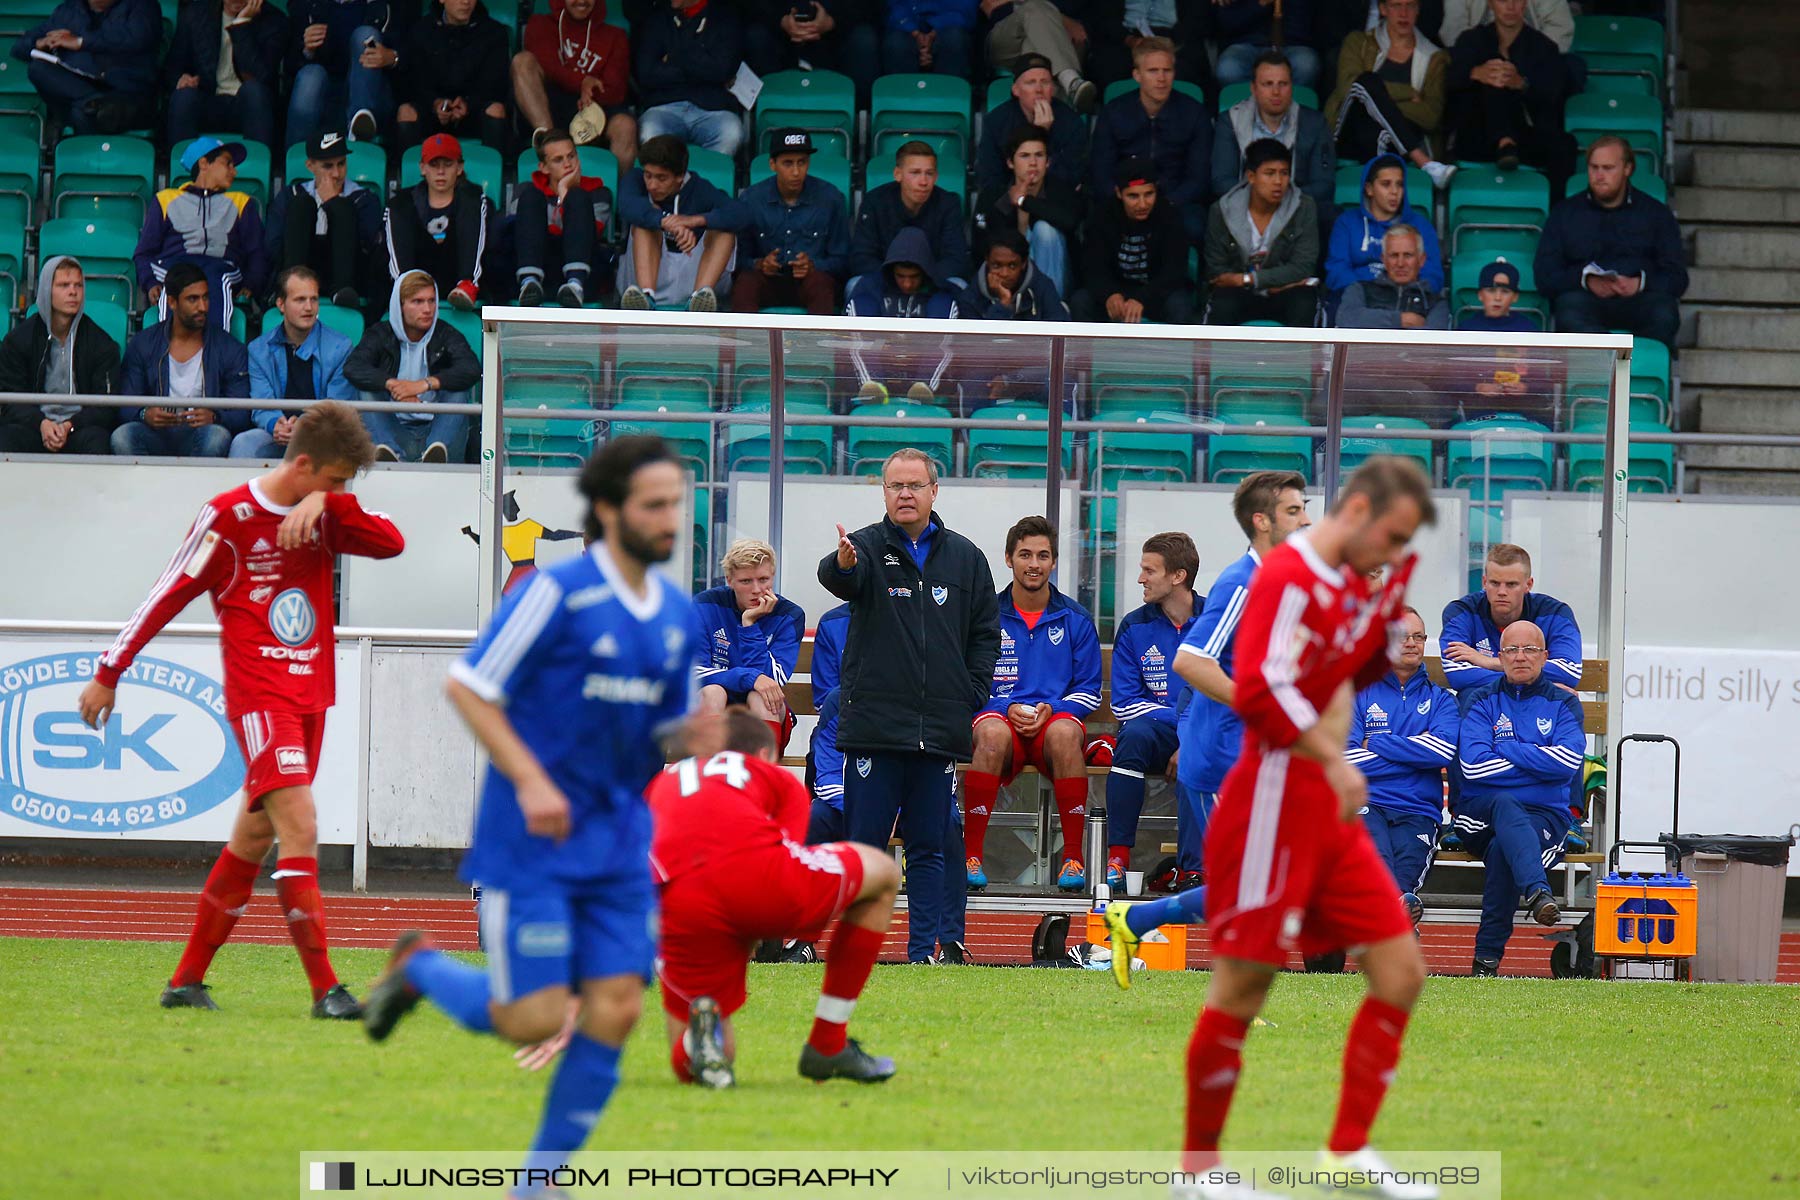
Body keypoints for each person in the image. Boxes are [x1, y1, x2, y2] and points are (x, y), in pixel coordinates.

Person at [360, 436, 701, 1191]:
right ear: (609, 512)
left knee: (616, 1008)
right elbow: (470, 685)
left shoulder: (678, 614)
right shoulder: (556, 593)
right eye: (655, 504)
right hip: (536, 838)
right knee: (533, 1017)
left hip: (617, 841)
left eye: (677, 502)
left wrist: (691, 735)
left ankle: (536, 1182)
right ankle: (420, 968)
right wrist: (533, 781)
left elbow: (660, 732)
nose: (670, 517)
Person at [1104, 457, 1439, 1200]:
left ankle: (1349, 1150)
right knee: (1242, 987)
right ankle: (1197, 1170)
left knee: (1400, 972)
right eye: (1393, 535)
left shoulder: (1349, 586)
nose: (1394, 552)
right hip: (1270, 799)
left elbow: (1332, 686)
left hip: (1326, 805)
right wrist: (1334, 757)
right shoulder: (1279, 579)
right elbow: (1255, 684)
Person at [77, 401, 402, 1017]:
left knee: (254, 836)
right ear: (303, 463)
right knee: (301, 826)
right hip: (262, 697)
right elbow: (166, 592)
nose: (341, 490)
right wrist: (109, 671)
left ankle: (185, 982)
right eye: (334, 480)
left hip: (312, 697)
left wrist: (330, 503)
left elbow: (391, 541)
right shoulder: (228, 519)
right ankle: (326, 990)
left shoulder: (324, 513)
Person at [647, 709, 902, 1087]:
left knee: (710, 1058)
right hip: (757, 884)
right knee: (883, 873)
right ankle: (827, 1042)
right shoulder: (775, 776)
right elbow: (780, 854)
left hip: (680, 901)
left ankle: (696, 1041)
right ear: (765, 755)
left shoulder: (666, 781)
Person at [816, 448, 1000, 963]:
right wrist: (843, 563)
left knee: (929, 847)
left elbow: (985, 634)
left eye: (915, 485)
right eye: (895, 486)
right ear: (884, 492)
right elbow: (838, 577)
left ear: (933, 491)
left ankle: (924, 953)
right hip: (875, 725)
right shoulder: (866, 548)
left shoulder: (966, 557)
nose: (905, 494)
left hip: (938, 728)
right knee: (868, 850)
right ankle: (859, 950)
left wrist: (972, 692)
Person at [1169, 471, 1310, 896]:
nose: (1305, 521)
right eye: (1293, 511)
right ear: (1261, 521)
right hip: (1222, 760)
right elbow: (1189, 661)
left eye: (1304, 509)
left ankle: (1134, 920)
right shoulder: (1240, 583)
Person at [962, 517, 1100, 892]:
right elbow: (967, 682)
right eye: (1025, 554)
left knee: (1066, 734)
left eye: (1043, 555)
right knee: (989, 733)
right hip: (998, 721)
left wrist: (1053, 708)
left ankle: (1073, 857)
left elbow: (1090, 689)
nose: (1034, 564)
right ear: (1009, 559)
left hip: (1052, 723)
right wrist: (1003, 706)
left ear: (1053, 562)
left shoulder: (1075, 618)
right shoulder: (984, 615)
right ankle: (969, 854)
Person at [1454, 619, 1584, 975]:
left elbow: (1568, 761)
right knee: (1506, 804)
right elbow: (1474, 767)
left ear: (1544, 656)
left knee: (1503, 850)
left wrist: (1507, 749)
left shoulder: (1563, 703)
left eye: (1529, 649)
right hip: (1481, 813)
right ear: (1500, 656)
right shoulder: (1481, 700)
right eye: (1512, 650)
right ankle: (1538, 893)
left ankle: (1485, 961)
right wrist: (1537, 760)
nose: (1520, 657)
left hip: (1545, 815)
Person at [1345, 605, 1458, 926]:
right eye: (1402, 636)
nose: (1411, 643)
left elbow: (1442, 751)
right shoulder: (1358, 694)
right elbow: (1346, 759)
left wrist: (1377, 743)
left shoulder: (1442, 700)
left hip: (1419, 810)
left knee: (1405, 873)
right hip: (1366, 804)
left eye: (1418, 636)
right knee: (1378, 865)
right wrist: (1413, 757)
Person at [1104, 532, 1202, 890]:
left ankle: (1195, 869)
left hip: (1207, 733)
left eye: (1150, 570)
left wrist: (1190, 737)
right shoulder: (1135, 624)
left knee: (1199, 756)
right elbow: (1124, 703)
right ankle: (1118, 860)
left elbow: (1229, 695)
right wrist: (1181, 724)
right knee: (1133, 736)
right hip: (1160, 731)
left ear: (1178, 576)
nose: (1141, 578)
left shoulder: (1216, 621)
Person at [1535, 136, 1686, 350]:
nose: (1599, 176)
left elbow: (1677, 278)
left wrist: (1639, 283)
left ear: (1627, 169)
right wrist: (1586, 280)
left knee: (1664, 314)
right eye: (1594, 167)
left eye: (1608, 168)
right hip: (1584, 299)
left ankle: (1638, 376)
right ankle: (1604, 375)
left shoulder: (1656, 214)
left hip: (1640, 298)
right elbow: (1545, 276)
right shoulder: (1565, 213)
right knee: (1568, 312)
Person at [113, 264, 252, 458]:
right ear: (172, 302)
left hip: (201, 434)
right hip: (155, 434)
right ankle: (147, 489)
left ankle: (196, 489)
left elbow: (243, 410)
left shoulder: (229, 348)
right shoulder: (143, 344)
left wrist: (214, 416)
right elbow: (125, 403)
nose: (203, 307)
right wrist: (145, 414)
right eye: (192, 299)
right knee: (122, 437)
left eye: (205, 297)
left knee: (216, 436)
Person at [344, 270, 481, 463]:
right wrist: (393, 385)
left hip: (438, 430)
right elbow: (353, 367)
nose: (427, 309)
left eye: (431, 301)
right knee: (367, 393)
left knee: (458, 392)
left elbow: (471, 368)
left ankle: (435, 456)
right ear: (400, 306)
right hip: (396, 427)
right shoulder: (380, 334)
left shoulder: (446, 334)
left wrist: (424, 384)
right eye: (417, 302)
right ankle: (389, 454)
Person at [136, 136, 269, 332]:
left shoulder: (241, 202)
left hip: (220, 267)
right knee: (174, 281)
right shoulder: (166, 199)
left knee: (217, 278)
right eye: (228, 163)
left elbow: (257, 252)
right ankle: (171, 353)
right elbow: (144, 252)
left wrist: (251, 284)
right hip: (174, 265)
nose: (234, 171)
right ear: (204, 163)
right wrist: (150, 282)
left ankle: (213, 355)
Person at [1323, 0, 1457, 188]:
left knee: (1378, 130)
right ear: (1383, 9)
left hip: (1391, 140)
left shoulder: (1435, 58)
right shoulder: (1358, 42)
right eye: (1396, 5)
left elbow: (1431, 116)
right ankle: (1423, 162)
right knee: (1366, 81)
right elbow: (1349, 89)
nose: (1403, 13)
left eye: (1410, 5)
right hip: (1349, 132)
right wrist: (1408, 93)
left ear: (1418, 9)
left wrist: (1377, 103)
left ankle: (1380, 200)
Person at [1091, 38, 1212, 243]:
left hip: (1176, 200)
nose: (1161, 78)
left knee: (1194, 226)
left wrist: (1165, 203)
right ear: (1137, 75)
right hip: (1124, 200)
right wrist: (1129, 202)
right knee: (1096, 227)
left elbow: (1198, 178)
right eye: (1153, 71)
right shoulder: (1114, 112)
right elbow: (1101, 172)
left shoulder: (1194, 113)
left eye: (1167, 70)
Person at [693, 538, 806, 751]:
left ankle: (760, 777)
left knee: (762, 697)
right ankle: (711, 778)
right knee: (712, 692)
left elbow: (772, 680)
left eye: (763, 579)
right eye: (746, 581)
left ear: (773, 577)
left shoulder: (790, 615)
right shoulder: (705, 605)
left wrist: (749, 625)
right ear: (729, 580)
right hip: (714, 711)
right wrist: (750, 677)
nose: (757, 590)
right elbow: (696, 673)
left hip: (765, 715)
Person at [0, 256, 120, 455]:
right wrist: (42, 424)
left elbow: (106, 406)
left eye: (78, 285)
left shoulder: (102, 344)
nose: (73, 292)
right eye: (64, 285)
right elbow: (10, 400)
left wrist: (69, 425)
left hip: (79, 428)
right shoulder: (18, 340)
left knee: (98, 440)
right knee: (6, 438)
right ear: (47, 290)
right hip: (33, 427)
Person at [617, 135, 749, 313]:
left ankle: (700, 298)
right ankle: (646, 297)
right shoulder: (635, 180)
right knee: (643, 225)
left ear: (680, 176)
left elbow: (741, 214)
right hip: (639, 281)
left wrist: (694, 221)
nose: (652, 185)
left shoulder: (699, 189)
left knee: (724, 231)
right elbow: (626, 206)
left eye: (661, 178)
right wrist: (666, 221)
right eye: (648, 176)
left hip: (692, 276)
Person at [235, 266, 357, 459]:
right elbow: (261, 403)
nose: (309, 307)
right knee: (243, 444)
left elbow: (337, 407)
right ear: (281, 304)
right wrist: (275, 424)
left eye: (314, 299)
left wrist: (305, 425)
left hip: (323, 434)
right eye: (300, 300)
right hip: (279, 433)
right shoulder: (259, 349)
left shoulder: (340, 347)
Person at [1446, 0, 1572, 181]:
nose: (1510, 7)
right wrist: (1476, 73)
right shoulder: (1471, 40)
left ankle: (1558, 208)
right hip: (1477, 136)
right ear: (1490, 3)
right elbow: (1450, 82)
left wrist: (1521, 84)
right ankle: (1504, 141)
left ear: (1525, 4)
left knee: (1565, 145)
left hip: (1525, 136)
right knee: (1494, 75)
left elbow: (1552, 94)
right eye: (1503, 0)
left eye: (1517, 0)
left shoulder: (1544, 47)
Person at [730, 129, 852, 316]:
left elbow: (843, 259)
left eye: (801, 162)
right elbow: (737, 258)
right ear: (773, 164)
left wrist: (814, 266)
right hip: (767, 281)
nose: (796, 172)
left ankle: (817, 345)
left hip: (811, 282)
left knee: (821, 284)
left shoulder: (831, 198)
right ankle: (743, 345)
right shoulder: (752, 199)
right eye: (788, 163)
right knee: (745, 284)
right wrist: (760, 264)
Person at [1203, 137, 1321, 327]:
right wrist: (1266, 281)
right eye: (1269, 173)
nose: (1278, 181)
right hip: (1239, 294)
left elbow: (1302, 267)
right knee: (1222, 303)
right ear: (1251, 177)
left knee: (1304, 301)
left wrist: (1249, 279)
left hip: (1283, 292)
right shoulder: (1223, 210)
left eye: (1284, 173)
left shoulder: (1303, 207)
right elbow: (1217, 271)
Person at [1439, 542, 1582, 692]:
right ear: (1484, 582)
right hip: (1484, 709)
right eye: (1494, 583)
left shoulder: (1555, 613)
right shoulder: (1461, 612)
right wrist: (1541, 684)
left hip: (1538, 711)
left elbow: (1569, 671)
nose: (1502, 592)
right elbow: (1457, 674)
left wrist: (1488, 662)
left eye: (1511, 584)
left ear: (1528, 585)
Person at [267, 130, 385, 310]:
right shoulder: (290, 196)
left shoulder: (364, 198)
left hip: (348, 274)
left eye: (341, 164)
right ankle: (291, 288)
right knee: (302, 204)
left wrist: (334, 203)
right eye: (327, 166)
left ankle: (341, 290)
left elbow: (369, 246)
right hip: (300, 263)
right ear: (310, 166)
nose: (337, 173)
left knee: (343, 208)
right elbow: (273, 245)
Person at [1211, 50, 1335, 220]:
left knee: (1329, 213)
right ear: (1253, 88)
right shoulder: (1231, 121)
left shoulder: (1314, 123)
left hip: (1298, 212)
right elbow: (1221, 181)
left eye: (1283, 84)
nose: (1276, 92)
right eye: (1268, 84)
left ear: (1292, 86)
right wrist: (1261, 199)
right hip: (1244, 211)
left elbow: (1324, 185)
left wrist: (1280, 198)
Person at [513, 0, 635, 171]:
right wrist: (582, 82)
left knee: (626, 125)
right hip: (549, 107)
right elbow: (548, 65)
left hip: (595, 110)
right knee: (522, 61)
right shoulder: (540, 23)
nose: (582, 1)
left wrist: (589, 97)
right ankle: (550, 141)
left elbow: (616, 91)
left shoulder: (616, 35)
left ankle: (616, 194)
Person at [1070, 157, 1194, 324]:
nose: (1142, 204)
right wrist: (1109, 294)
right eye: (1133, 196)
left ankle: (1172, 351)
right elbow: (1092, 266)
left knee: (1180, 304)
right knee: (1081, 301)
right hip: (1116, 294)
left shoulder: (1169, 216)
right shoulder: (1102, 217)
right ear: (1119, 193)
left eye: (1149, 194)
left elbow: (1174, 271)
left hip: (1155, 293)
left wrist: (1142, 298)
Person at [384, 133, 497, 312]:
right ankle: (405, 289)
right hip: (417, 274)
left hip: (456, 275)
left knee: (472, 203)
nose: (441, 172)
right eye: (434, 165)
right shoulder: (402, 203)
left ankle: (467, 284)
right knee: (399, 208)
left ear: (459, 168)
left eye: (448, 164)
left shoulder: (476, 201)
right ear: (423, 168)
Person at [9, 0, 157, 136]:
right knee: (38, 68)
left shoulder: (142, 6)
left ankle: (90, 107)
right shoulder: (69, 10)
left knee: (81, 112)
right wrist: (40, 43)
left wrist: (80, 42)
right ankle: (92, 102)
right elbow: (18, 47)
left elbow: (135, 38)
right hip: (81, 88)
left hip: (125, 94)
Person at [846, 229, 959, 401]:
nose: (907, 283)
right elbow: (860, 339)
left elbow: (944, 344)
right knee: (861, 306)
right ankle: (873, 387)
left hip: (921, 367)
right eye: (901, 276)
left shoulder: (941, 294)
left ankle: (924, 388)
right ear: (891, 271)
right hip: (881, 363)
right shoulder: (869, 288)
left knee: (943, 307)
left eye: (914, 277)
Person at [285, 0, 409, 148]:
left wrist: (393, 57)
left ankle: (360, 127)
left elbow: (415, 53)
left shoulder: (389, 5)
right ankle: (296, 159)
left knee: (365, 34)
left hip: (373, 94)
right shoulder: (305, 5)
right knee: (311, 76)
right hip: (325, 94)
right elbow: (289, 66)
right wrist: (307, 50)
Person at [848, 141, 970, 292]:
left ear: (936, 176)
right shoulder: (875, 201)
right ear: (897, 174)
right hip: (884, 282)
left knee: (959, 285)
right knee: (854, 285)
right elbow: (861, 257)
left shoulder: (948, 203)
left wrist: (919, 279)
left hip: (932, 283)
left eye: (929, 173)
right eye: (915, 173)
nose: (924, 181)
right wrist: (898, 279)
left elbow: (956, 259)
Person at [973, 126, 1081, 297]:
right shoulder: (992, 195)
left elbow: (1070, 221)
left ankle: (1049, 309)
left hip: (1059, 279)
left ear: (1048, 162)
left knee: (1045, 230)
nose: (1033, 163)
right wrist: (1009, 204)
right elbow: (982, 241)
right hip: (1006, 274)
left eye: (1039, 155)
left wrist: (1025, 202)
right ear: (1010, 162)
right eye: (1024, 156)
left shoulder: (1061, 191)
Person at [164, 0, 287, 147]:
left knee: (254, 91)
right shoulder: (196, 13)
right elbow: (172, 68)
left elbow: (262, 76)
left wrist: (242, 24)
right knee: (184, 97)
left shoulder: (273, 20)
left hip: (250, 104)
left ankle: (259, 166)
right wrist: (181, 80)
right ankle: (182, 166)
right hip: (208, 98)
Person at [633, 0, 747, 157]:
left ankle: (706, 181)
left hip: (712, 109)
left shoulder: (725, 18)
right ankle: (667, 181)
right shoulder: (657, 18)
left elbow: (722, 71)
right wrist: (702, 64)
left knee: (731, 133)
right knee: (650, 131)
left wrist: (673, 57)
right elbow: (646, 73)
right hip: (664, 108)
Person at [515, 128, 614, 308]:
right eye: (558, 160)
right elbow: (519, 232)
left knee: (577, 197)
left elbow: (592, 232)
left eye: (571, 156)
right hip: (541, 266)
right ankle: (529, 282)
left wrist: (565, 193)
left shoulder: (599, 192)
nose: (568, 164)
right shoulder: (526, 193)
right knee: (530, 197)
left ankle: (574, 286)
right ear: (543, 167)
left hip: (585, 273)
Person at [393, 0, 510, 150]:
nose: (466, 2)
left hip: (473, 111)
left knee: (496, 110)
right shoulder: (421, 30)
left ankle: (494, 171)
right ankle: (409, 171)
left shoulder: (495, 32)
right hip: (432, 110)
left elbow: (495, 84)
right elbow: (416, 82)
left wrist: (468, 104)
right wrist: (435, 103)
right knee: (406, 112)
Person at [1324, 152, 1444, 296]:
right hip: (1357, 298)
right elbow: (1336, 271)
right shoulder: (1346, 222)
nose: (1394, 192)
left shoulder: (1420, 226)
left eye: (1399, 185)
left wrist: (1401, 292)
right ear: (1369, 189)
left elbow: (1433, 276)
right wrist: (1368, 292)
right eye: (1386, 184)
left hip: (1404, 298)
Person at [976, 54, 1091, 200]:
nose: (1039, 89)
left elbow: (1071, 177)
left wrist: (1042, 136)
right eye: (1030, 82)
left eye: (1045, 82)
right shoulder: (996, 121)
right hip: (1008, 203)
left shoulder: (1071, 122)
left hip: (1053, 204)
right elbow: (989, 178)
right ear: (1016, 90)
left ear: (1053, 90)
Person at [980, 11, 1097, 114]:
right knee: (1034, 6)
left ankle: (1037, 119)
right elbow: (990, 5)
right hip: (1007, 39)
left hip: (1062, 42)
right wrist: (1056, 15)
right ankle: (1070, 82)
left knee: (1033, 44)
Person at [1336, 224, 1449, 329]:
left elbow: (1432, 340)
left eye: (1408, 255)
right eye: (1394, 255)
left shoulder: (1436, 303)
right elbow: (1345, 319)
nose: (1400, 263)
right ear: (1383, 259)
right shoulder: (1359, 289)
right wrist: (1400, 320)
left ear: (1421, 260)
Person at [958, 225, 1069, 322]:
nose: (1004, 273)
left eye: (1012, 266)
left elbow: (1058, 333)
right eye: (996, 265)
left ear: (1023, 263)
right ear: (987, 261)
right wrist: (1003, 304)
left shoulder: (1043, 288)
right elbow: (982, 342)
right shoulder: (970, 298)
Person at [1212, 0, 1322, 90]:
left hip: (1291, 46)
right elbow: (1227, 25)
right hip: (1246, 45)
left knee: (1306, 64)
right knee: (1229, 68)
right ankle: (1245, 112)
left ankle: (1292, 114)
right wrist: (1259, 4)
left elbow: (1303, 30)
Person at [879, 0, 973, 77]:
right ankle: (903, 98)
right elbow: (893, 6)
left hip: (948, 23)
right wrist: (914, 32)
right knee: (896, 44)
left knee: (953, 39)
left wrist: (933, 32)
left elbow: (965, 8)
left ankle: (948, 97)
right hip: (906, 24)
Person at [1439, 0, 1572, 53]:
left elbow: (1559, 27)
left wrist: (1532, 58)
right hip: (1478, 53)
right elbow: (1453, 28)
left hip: (1533, 55)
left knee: (1572, 68)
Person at [1455, 258, 1535, 332]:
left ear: (1515, 297)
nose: (1498, 298)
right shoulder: (1467, 329)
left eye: (1505, 291)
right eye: (1491, 291)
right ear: (1480, 294)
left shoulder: (1527, 329)